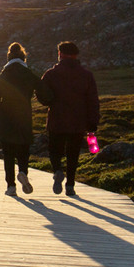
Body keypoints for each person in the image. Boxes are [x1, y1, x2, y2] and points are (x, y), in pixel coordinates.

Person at [0, 42, 50, 196]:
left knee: (8, 154)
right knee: (23, 150)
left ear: (8, 58)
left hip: (5, 119)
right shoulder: (30, 75)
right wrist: (50, 103)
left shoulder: (1, 77)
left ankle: (11, 186)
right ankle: (22, 172)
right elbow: (43, 92)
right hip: (24, 117)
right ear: (23, 58)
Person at [38, 41, 100, 197]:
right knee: (73, 154)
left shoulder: (51, 74)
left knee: (54, 150)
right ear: (76, 55)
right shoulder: (86, 75)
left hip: (57, 120)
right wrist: (92, 122)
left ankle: (58, 170)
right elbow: (93, 100)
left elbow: (41, 94)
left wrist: (49, 102)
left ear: (60, 54)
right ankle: (70, 185)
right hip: (78, 122)